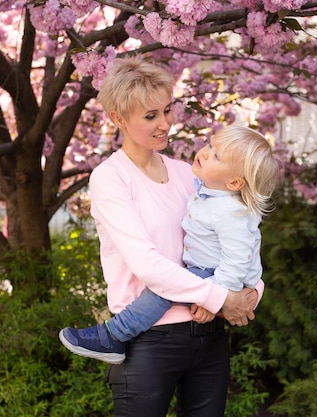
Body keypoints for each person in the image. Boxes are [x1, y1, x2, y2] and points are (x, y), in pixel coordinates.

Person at [59, 55, 267, 417]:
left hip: (208, 335)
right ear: (119, 118)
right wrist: (221, 296)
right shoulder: (111, 178)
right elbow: (148, 265)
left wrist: (251, 293)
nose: (165, 124)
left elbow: (239, 234)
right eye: (150, 116)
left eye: (168, 110)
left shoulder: (189, 174)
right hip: (149, 343)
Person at [60, 124, 280, 365]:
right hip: (209, 277)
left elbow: (239, 260)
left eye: (216, 156)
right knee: (166, 287)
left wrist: (216, 296)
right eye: (210, 145)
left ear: (235, 183)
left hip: (216, 274)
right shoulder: (207, 191)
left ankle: (114, 335)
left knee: (160, 293)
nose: (205, 152)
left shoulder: (231, 212)